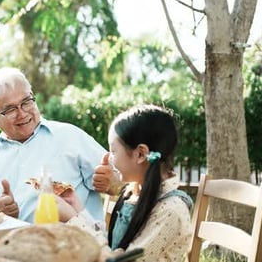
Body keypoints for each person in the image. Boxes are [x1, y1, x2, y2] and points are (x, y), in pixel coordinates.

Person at [0, 67, 117, 223]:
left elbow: (125, 182)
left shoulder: (69, 136)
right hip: (13, 244)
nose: (22, 113)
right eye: (10, 109)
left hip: (74, 242)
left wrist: (112, 182)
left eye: (26, 102)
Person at [56, 104, 193, 262]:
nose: (109, 158)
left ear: (141, 154)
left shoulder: (170, 211)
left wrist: (73, 219)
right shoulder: (133, 191)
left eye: (114, 151)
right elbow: (111, 248)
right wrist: (76, 206)